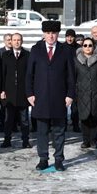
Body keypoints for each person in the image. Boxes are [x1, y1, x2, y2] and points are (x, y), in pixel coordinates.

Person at [26, 20, 76, 170]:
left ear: (58, 34)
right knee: (41, 131)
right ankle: (43, 158)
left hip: (59, 98)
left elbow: (71, 76)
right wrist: (29, 94)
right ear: (44, 34)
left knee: (59, 131)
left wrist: (70, 94)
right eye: (48, 33)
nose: (51, 36)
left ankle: (59, 159)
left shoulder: (65, 50)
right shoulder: (36, 50)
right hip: (40, 98)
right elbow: (29, 74)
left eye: (53, 33)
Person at [75, 38, 97, 149]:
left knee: (95, 118)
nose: (87, 47)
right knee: (84, 118)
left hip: (96, 93)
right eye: (85, 45)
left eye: (90, 45)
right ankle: (85, 141)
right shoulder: (76, 60)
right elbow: (73, 77)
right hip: (82, 93)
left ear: (94, 47)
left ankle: (94, 141)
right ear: (82, 47)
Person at [0, 32, 31, 148]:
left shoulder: (27, 55)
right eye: (14, 40)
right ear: (11, 42)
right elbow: (2, 74)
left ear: (21, 41)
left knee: (24, 119)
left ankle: (25, 140)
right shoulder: (5, 55)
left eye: (19, 40)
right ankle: (7, 140)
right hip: (9, 92)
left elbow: (30, 74)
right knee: (8, 119)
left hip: (23, 93)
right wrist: (2, 90)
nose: (17, 42)